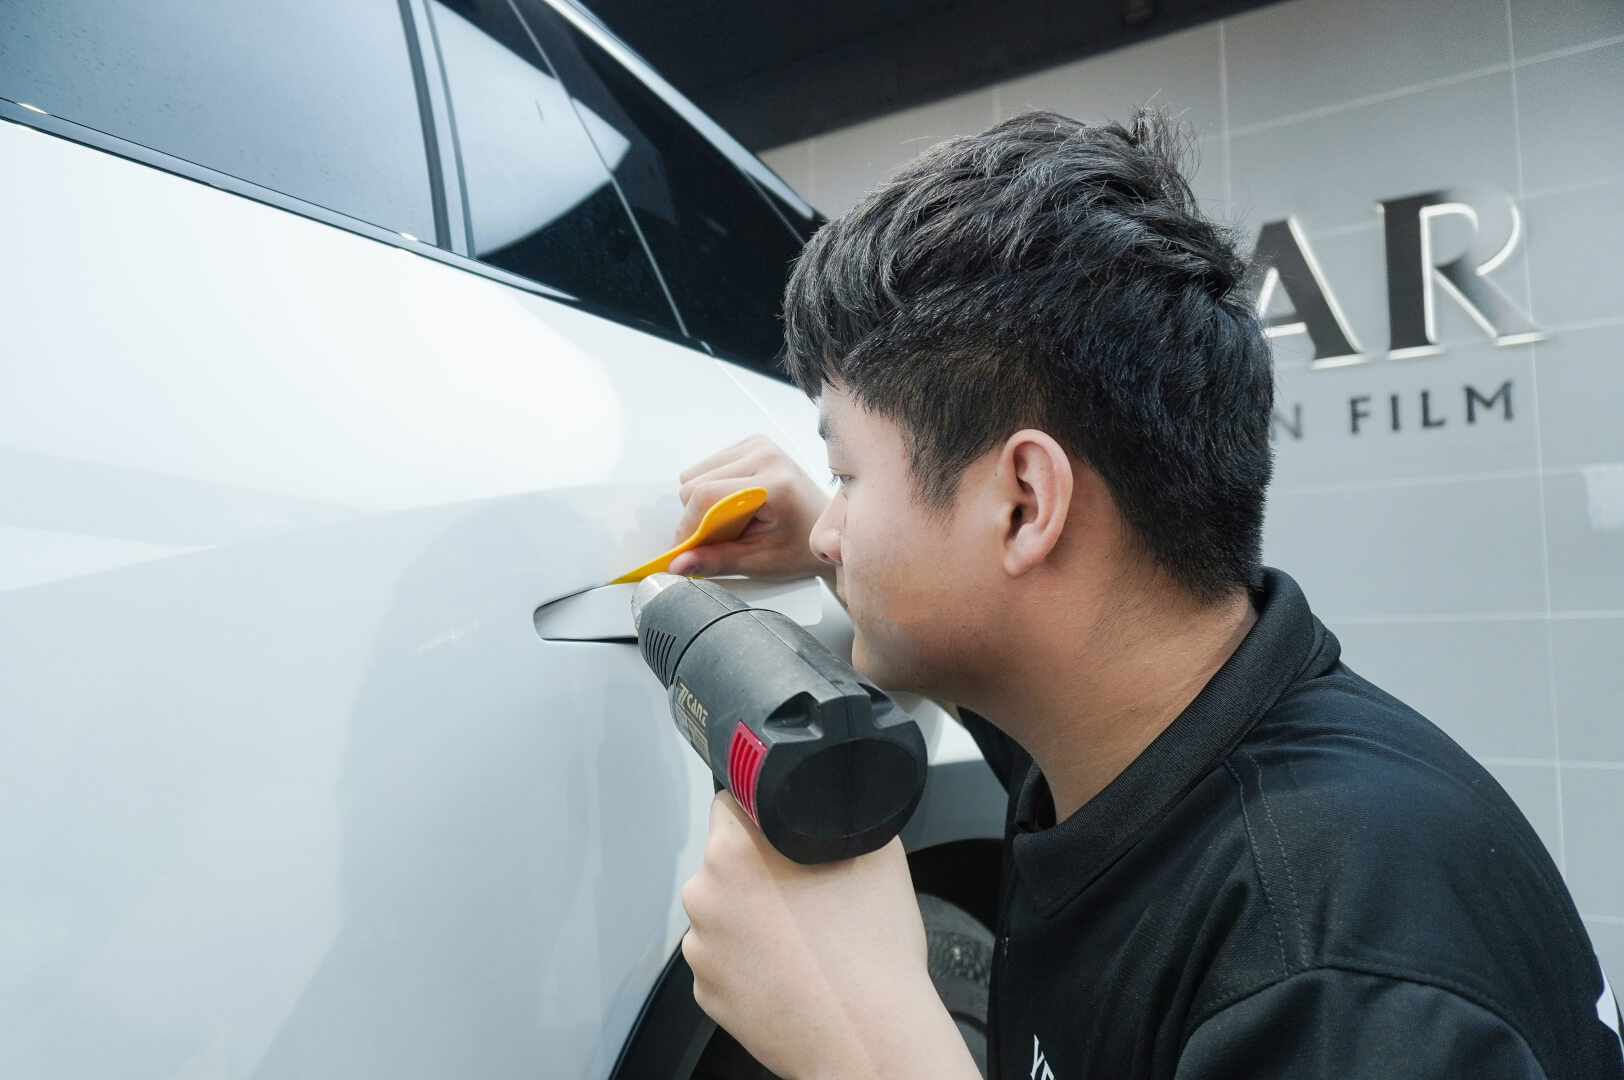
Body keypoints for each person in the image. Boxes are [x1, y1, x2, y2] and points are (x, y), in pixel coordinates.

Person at [665, 110, 1624, 1080]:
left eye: (847, 477)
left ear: (1024, 503)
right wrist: (834, 540)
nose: (829, 528)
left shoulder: (1338, 978)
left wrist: (868, 1044)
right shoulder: (1126, 732)